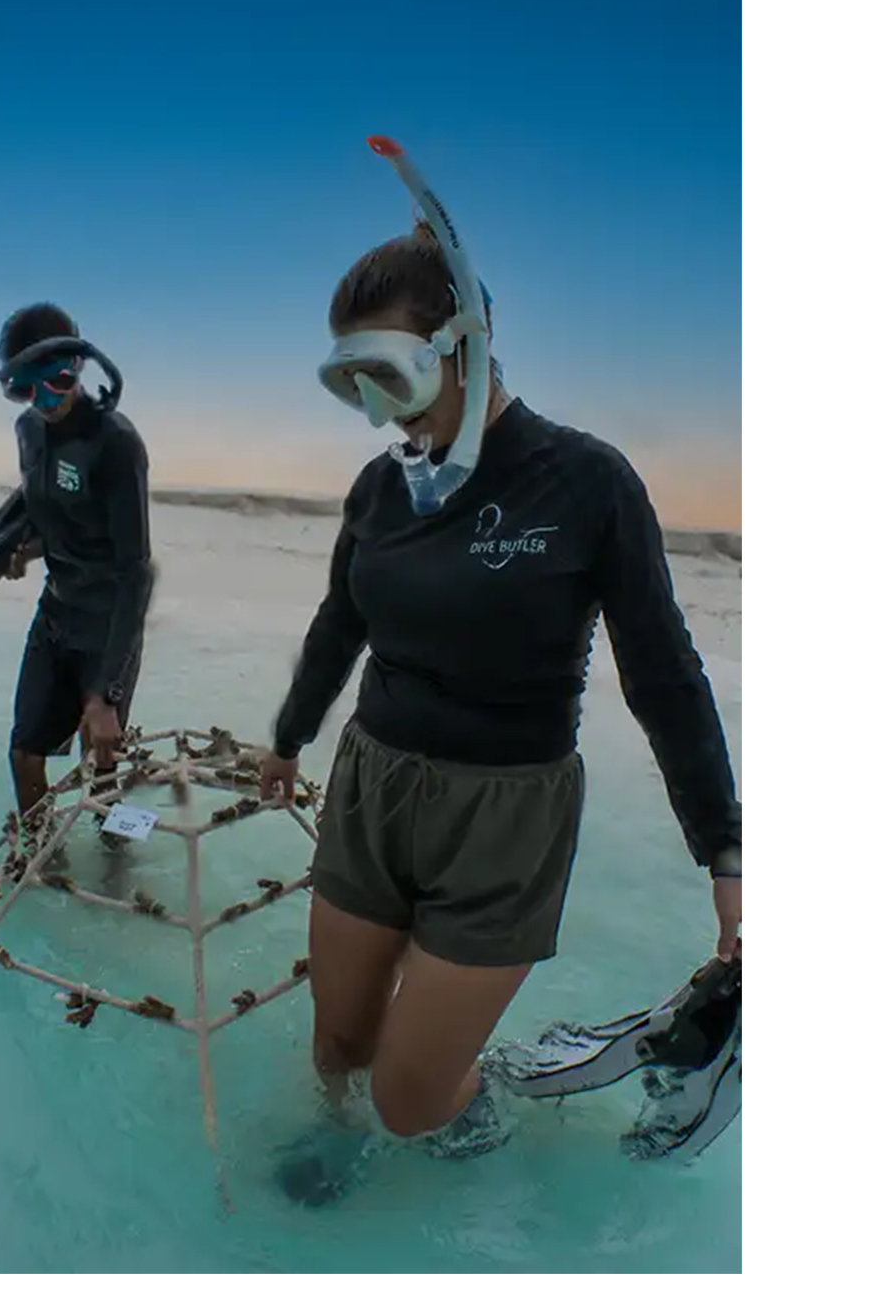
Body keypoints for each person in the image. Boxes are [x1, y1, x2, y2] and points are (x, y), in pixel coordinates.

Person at [257, 142, 741, 1189]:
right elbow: (339, 620)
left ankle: (472, 1106)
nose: (379, 412)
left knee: (405, 1093)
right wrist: (288, 737)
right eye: (352, 384)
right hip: (371, 781)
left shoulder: (585, 482)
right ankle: (343, 1140)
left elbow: (663, 677)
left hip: (504, 816)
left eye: (388, 375)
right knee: (337, 1047)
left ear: (463, 344)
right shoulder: (380, 491)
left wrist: (727, 857)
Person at [0, 303, 154, 836]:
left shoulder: (117, 443)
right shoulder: (28, 431)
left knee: (101, 758)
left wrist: (106, 695)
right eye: (26, 390)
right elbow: (37, 503)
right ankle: (38, 860)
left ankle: (116, 864)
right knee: (23, 751)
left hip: (107, 626)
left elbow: (136, 572)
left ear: (78, 370)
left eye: (55, 383)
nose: (44, 402)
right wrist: (1, 555)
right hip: (56, 615)